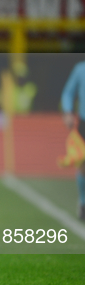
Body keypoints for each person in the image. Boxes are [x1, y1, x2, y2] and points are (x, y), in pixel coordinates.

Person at [61, 60, 85, 220]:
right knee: (83, 163)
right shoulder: (80, 69)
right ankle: (83, 202)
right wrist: (68, 111)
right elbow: (68, 92)